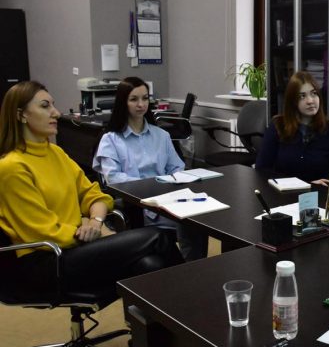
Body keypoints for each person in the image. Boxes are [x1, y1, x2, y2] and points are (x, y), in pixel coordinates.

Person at [0, 80, 183, 296]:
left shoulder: (56, 153)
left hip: (76, 246)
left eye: (53, 105)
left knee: (151, 264)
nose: (56, 113)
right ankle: (195, 299)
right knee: (157, 237)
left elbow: (95, 195)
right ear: (21, 115)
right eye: (45, 106)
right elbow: (43, 231)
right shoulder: (12, 167)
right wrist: (93, 231)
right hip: (47, 260)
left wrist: (95, 221)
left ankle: (173, 314)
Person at [93, 77, 207, 261]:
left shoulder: (161, 135)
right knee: (187, 225)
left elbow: (177, 167)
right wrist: (155, 183)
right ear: (123, 102)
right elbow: (113, 178)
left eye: (145, 98)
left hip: (168, 199)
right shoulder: (111, 139)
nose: (141, 104)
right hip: (141, 205)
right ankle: (186, 268)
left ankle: (193, 269)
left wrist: (172, 182)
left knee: (197, 220)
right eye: (134, 99)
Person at [255, 71, 329, 189]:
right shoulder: (278, 126)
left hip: (319, 196)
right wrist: (296, 185)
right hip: (285, 195)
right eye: (302, 96)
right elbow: (261, 169)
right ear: (293, 101)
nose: (310, 101)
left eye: (314, 94)